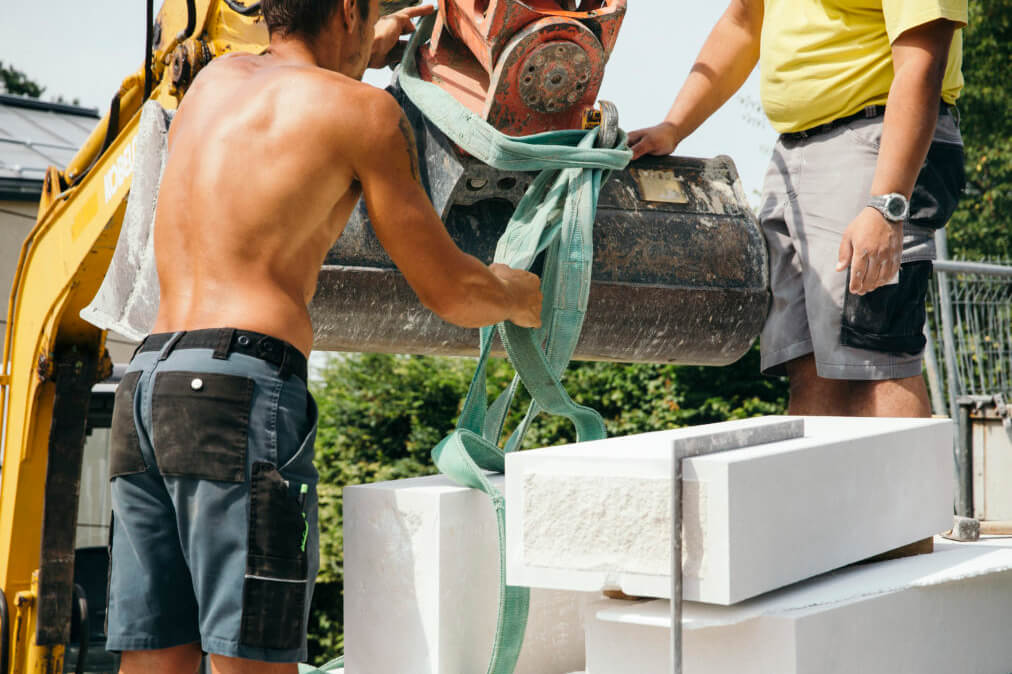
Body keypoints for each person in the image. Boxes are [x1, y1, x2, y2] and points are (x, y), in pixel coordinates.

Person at [104, 1, 543, 673]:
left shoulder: (212, 84)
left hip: (146, 387)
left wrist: (366, 45)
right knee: (254, 658)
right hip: (236, 397)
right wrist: (516, 292)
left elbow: (293, 83)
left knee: (154, 662)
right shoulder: (363, 114)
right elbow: (450, 292)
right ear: (346, 10)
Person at [630, 0, 967, 417]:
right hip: (792, 152)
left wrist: (886, 204)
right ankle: (818, 486)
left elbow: (923, 62)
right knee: (808, 370)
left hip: (874, 145)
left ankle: (905, 486)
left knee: (877, 362)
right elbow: (743, 23)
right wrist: (674, 127)